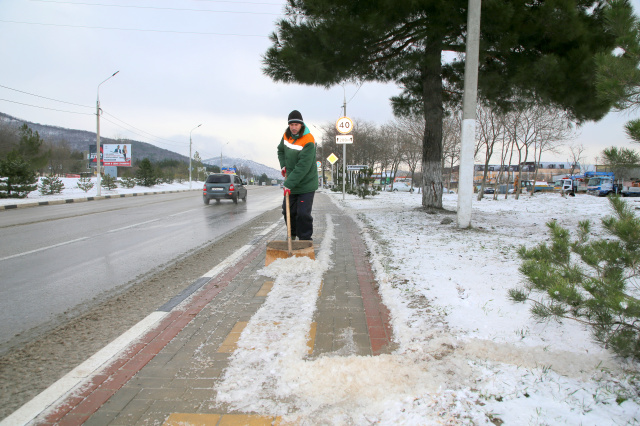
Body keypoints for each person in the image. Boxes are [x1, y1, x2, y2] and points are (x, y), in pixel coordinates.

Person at [277, 110, 318, 241]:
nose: (294, 127)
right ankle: (292, 235)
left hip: (306, 184)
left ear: (301, 125)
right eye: (291, 125)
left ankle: (305, 240)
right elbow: (280, 150)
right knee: (287, 211)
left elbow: (303, 167)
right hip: (292, 183)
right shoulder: (286, 136)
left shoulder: (308, 140)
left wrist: (288, 184)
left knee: (302, 214)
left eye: (296, 125)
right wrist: (283, 165)